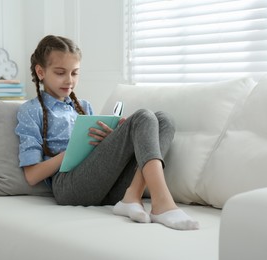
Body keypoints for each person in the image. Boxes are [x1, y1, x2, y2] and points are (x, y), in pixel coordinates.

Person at [15, 35, 199, 230]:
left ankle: (132, 196)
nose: (69, 80)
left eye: (75, 73)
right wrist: (69, 153)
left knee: (164, 120)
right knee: (143, 117)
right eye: (60, 72)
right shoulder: (31, 110)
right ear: (41, 72)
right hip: (68, 186)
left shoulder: (84, 106)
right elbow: (32, 176)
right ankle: (162, 203)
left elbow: (100, 159)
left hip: (105, 188)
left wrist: (112, 139)